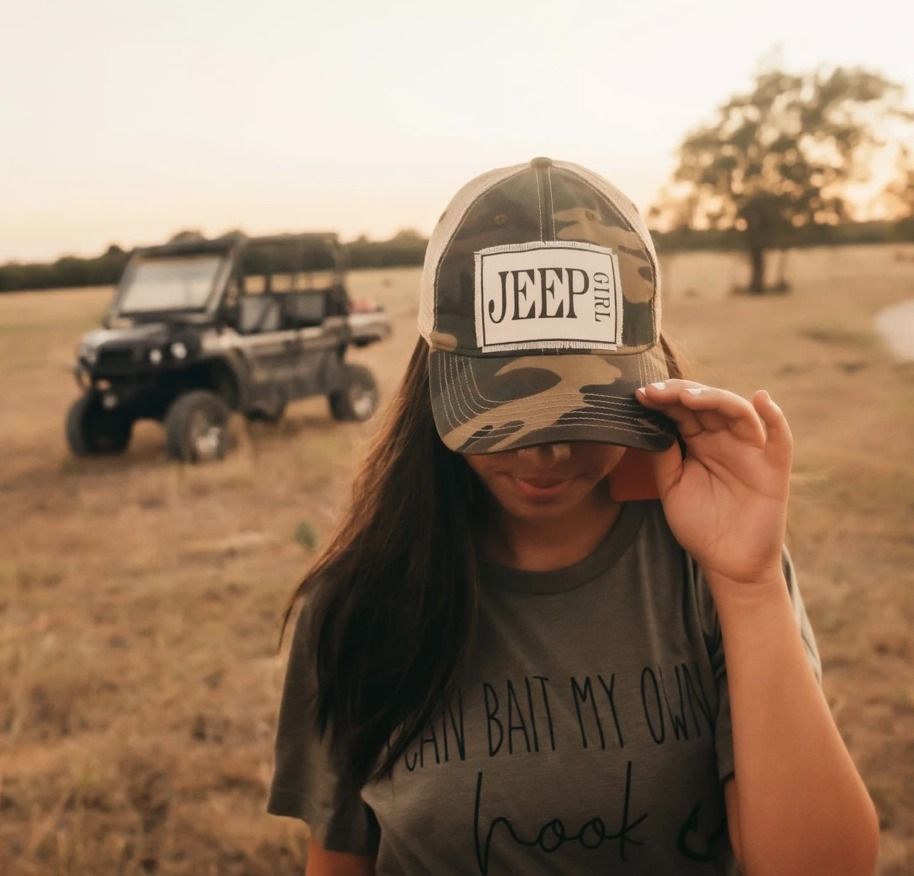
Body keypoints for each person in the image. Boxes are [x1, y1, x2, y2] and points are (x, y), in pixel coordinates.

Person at [266, 158, 878, 875]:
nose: (550, 451)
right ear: (435, 379)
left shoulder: (708, 572)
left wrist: (748, 586)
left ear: (650, 377)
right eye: (508, 410)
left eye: (590, 405)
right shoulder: (358, 603)